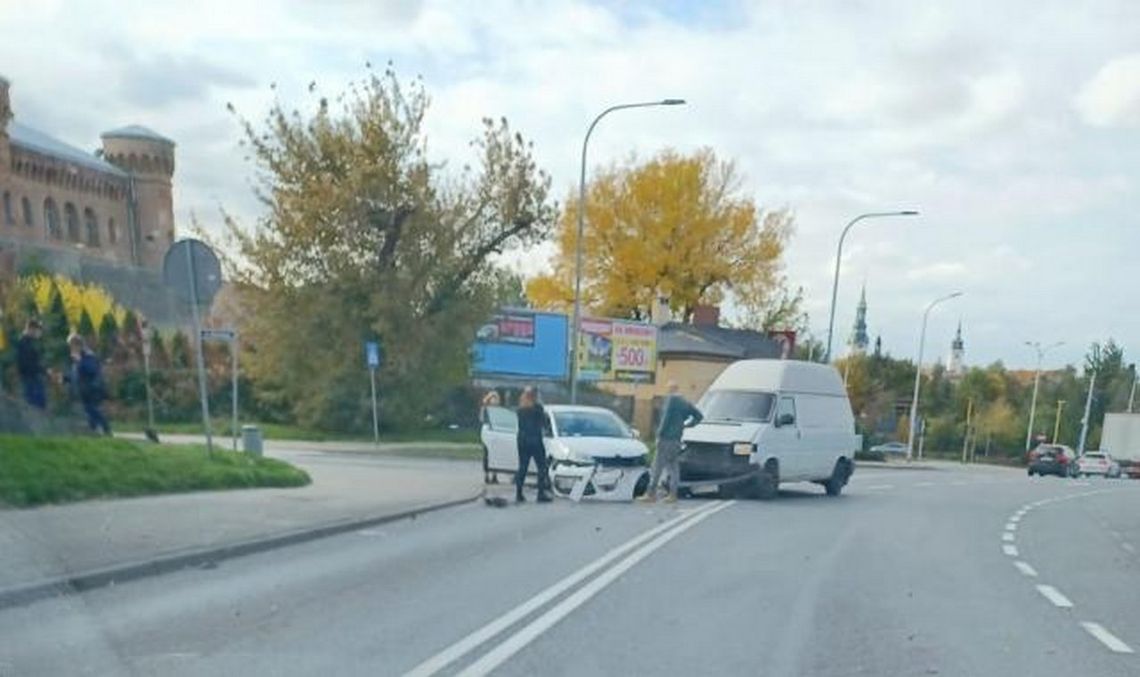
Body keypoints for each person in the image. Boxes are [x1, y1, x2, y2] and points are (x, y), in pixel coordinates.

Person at [641, 381, 703, 503]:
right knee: (673, 467)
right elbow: (699, 416)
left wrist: (658, 434)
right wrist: (687, 425)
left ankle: (651, 494)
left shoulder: (671, 401)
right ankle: (673, 495)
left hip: (665, 438)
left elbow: (665, 419)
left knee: (657, 466)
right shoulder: (684, 402)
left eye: (668, 389)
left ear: (671, 389)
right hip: (677, 439)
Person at [66, 333, 111, 435]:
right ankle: (95, 430)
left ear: (78, 345)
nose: (71, 349)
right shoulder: (78, 357)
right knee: (88, 411)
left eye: (72, 346)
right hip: (83, 389)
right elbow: (75, 374)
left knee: (93, 410)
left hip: (92, 388)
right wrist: (65, 378)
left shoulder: (88, 356)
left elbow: (91, 370)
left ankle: (105, 429)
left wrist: (79, 362)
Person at [515, 386, 553, 503]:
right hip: (535, 440)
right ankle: (540, 494)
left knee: (523, 467)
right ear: (535, 397)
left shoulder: (520, 410)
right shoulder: (537, 408)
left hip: (522, 440)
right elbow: (544, 424)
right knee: (541, 467)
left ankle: (519, 493)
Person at [16, 319, 46, 409]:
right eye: (37, 330)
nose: (38, 333)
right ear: (31, 329)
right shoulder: (24, 343)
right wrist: (41, 369)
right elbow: (27, 362)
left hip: (33, 376)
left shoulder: (29, 342)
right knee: (35, 405)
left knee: (38, 403)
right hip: (30, 377)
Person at [480, 391, 502, 484]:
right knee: (487, 455)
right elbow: (482, 420)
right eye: (493, 398)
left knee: (496, 455)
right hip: (488, 433)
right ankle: (487, 475)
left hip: (497, 434)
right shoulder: (485, 410)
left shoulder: (499, 410)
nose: (495, 401)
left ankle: (494, 475)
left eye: (496, 399)